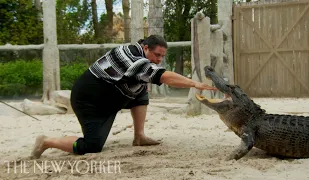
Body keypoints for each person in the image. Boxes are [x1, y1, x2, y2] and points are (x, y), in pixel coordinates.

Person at [31, 35, 217, 158]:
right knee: (92, 145)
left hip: (111, 96)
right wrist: (194, 83)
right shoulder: (129, 57)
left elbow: (153, 74)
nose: (159, 59)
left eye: (162, 56)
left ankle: (139, 136)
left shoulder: (140, 56)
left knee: (141, 91)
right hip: (90, 101)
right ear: (145, 48)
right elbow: (162, 76)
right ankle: (47, 141)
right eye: (157, 55)